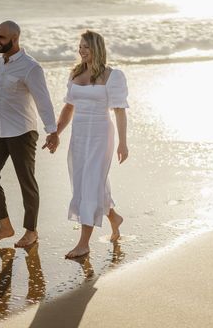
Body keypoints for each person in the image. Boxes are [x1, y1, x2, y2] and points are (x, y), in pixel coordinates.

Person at [0, 20, 60, 248]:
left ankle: (31, 231)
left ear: (15, 39)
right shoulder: (0, 62)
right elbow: (2, 91)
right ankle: (5, 226)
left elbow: (43, 100)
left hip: (22, 132)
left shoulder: (31, 67)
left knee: (26, 181)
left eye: (2, 38)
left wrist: (52, 131)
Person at [55, 30, 129, 258]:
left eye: (86, 46)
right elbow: (69, 107)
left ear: (97, 48)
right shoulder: (75, 74)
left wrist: (123, 143)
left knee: (90, 183)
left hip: (100, 135)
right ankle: (114, 218)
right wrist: (56, 132)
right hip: (79, 135)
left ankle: (84, 243)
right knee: (86, 182)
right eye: (80, 46)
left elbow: (119, 111)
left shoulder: (113, 76)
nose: (81, 50)